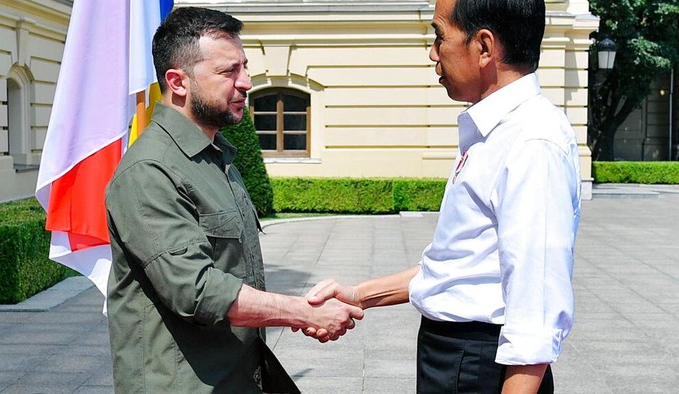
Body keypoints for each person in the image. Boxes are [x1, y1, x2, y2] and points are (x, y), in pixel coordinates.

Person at [302, 0, 581, 392]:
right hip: (456, 357)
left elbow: (535, 309)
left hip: (481, 365)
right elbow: (460, 267)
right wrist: (358, 295)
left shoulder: (531, 140)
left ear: (484, 47)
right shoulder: (492, 130)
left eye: (439, 36)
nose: (432, 54)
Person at [105, 7, 363, 393]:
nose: (245, 82)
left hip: (238, 376)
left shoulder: (216, 156)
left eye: (244, 67)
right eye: (228, 72)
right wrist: (302, 312)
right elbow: (198, 290)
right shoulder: (149, 170)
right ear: (178, 82)